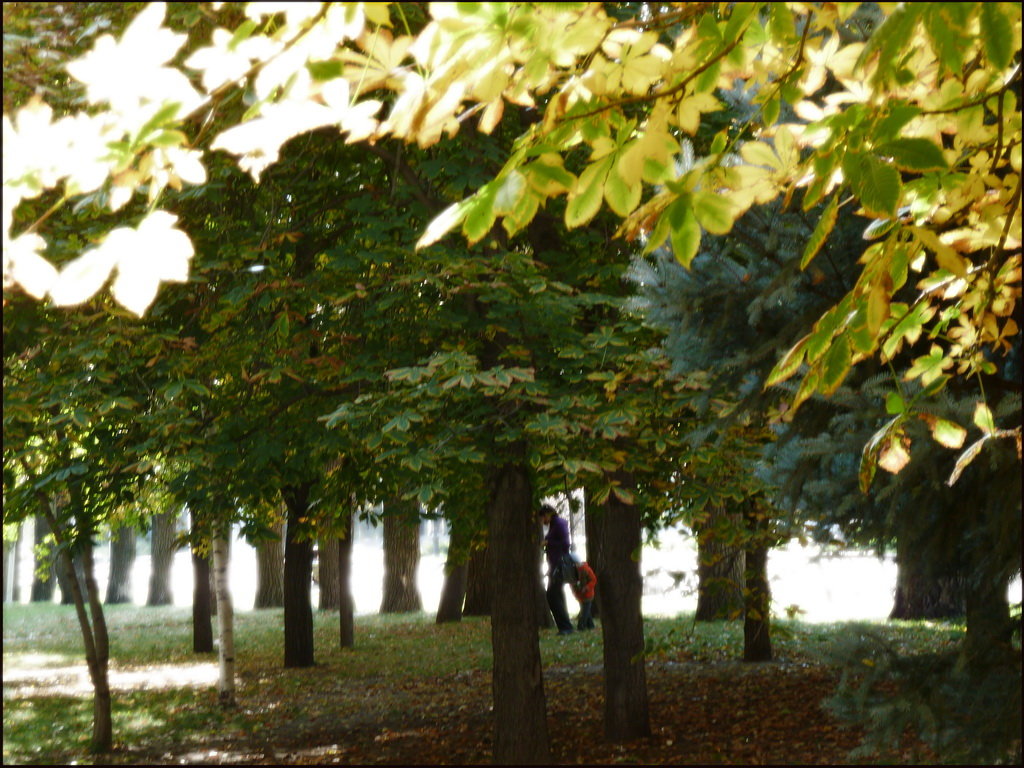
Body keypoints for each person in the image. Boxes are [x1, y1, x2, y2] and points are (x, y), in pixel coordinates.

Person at [538, 503, 574, 635]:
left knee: (552, 595)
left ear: (548, 514)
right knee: (557, 595)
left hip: (559, 564)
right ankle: (565, 625)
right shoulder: (554, 525)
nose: (543, 522)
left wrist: (548, 543)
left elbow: (565, 543)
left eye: (543, 519)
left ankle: (565, 626)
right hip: (554, 564)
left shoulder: (558, 523)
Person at [566, 553, 597, 630]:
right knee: (586, 611)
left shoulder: (585, 569)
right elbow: (571, 582)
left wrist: (587, 587)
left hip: (588, 595)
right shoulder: (572, 571)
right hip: (579, 595)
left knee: (584, 612)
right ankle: (591, 626)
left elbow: (593, 580)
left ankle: (581, 626)